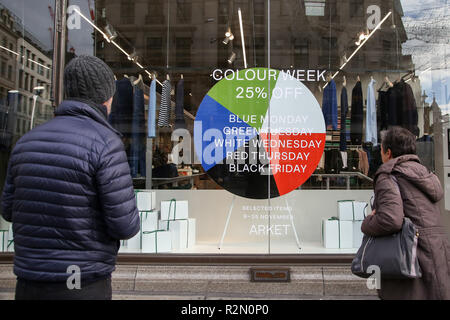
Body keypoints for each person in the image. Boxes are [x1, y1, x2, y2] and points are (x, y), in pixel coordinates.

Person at [1, 55, 140, 300]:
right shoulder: (106, 144)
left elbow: (8, 211)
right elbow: (125, 226)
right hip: (80, 282)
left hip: (29, 282)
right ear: (106, 97)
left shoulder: (26, 143)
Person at [361, 126, 450, 300]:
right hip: (437, 252)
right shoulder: (427, 175)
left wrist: (367, 222)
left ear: (388, 152)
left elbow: (390, 220)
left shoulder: (389, 174)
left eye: (380, 150)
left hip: (410, 257)